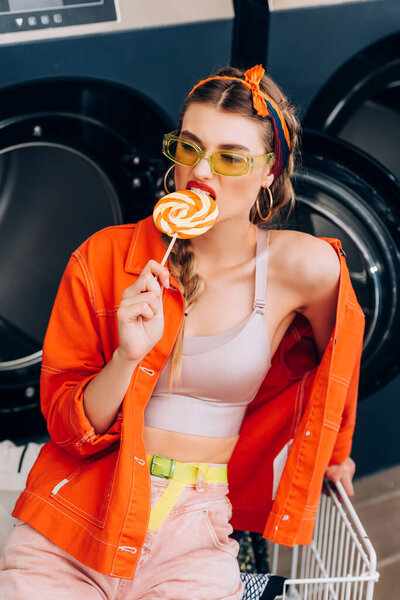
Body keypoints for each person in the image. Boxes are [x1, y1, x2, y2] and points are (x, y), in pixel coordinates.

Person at [0, 65, 365, 599]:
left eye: (231, 157)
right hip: (78, 509)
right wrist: (126, 357)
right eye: (189, 148)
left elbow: (339, 367)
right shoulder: (103, 257)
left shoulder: (304, 269)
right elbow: (69, 430)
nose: (202, 172)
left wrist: (336, 456)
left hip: (196, 526)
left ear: (269, 172)